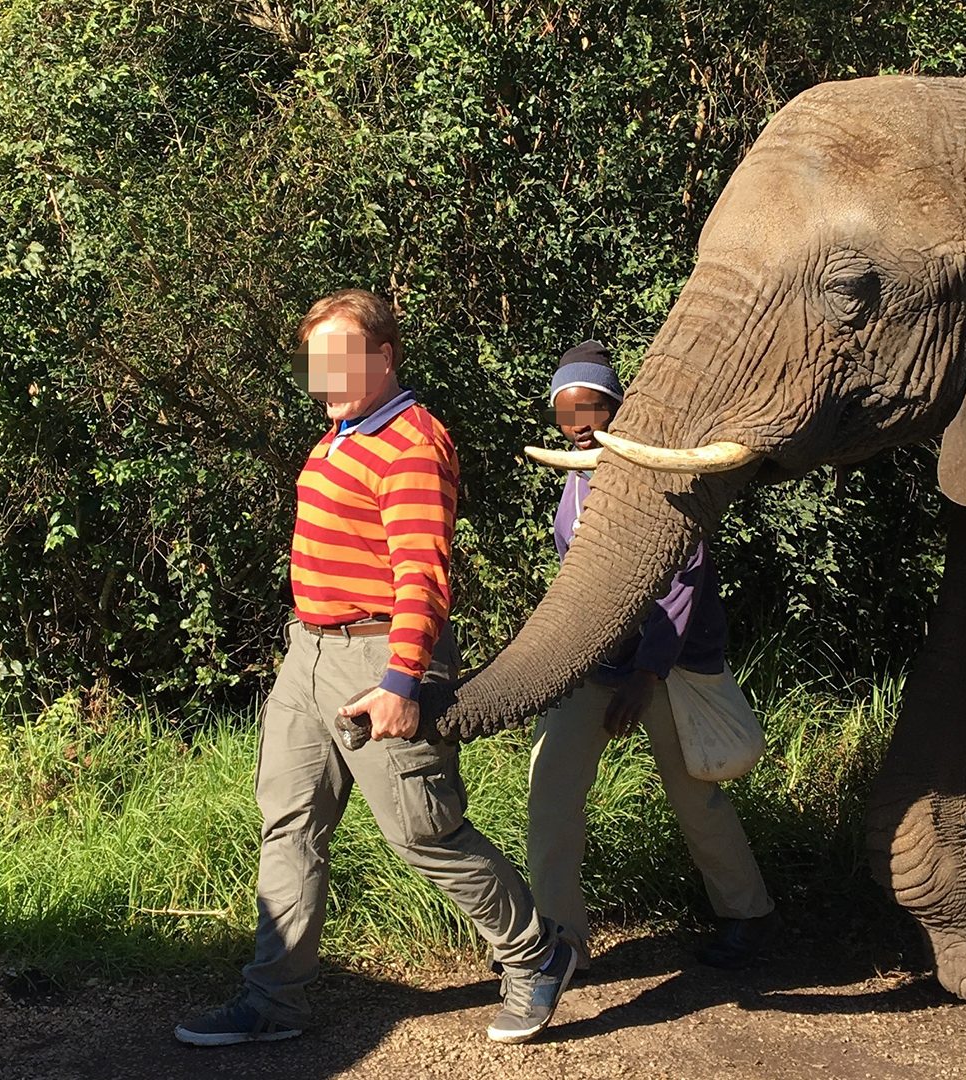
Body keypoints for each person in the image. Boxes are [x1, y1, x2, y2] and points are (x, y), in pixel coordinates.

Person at [175, 289, 576, 1048]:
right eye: (314, 363)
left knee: (422, 829)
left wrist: (401, 680)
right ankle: (273, 1002)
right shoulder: (340, 434)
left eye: (340, 360)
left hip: (379, 652)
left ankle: (537, 952)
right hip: (311, 651)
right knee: (289, 823)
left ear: (384, 357)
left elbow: (421, 573)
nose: (324, 377)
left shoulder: (411, 441)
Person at [527, 339, 779, 975]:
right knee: (550, 793)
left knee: (696, 796)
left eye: (592, 410)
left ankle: (748, 918)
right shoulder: (575, 480)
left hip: (665, 668)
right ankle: (559, 943)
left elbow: (682, 580)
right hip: (594, 665)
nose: (578, 426)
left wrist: (646, 674)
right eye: (566, 413)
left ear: (618, 412)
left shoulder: (657, 478)